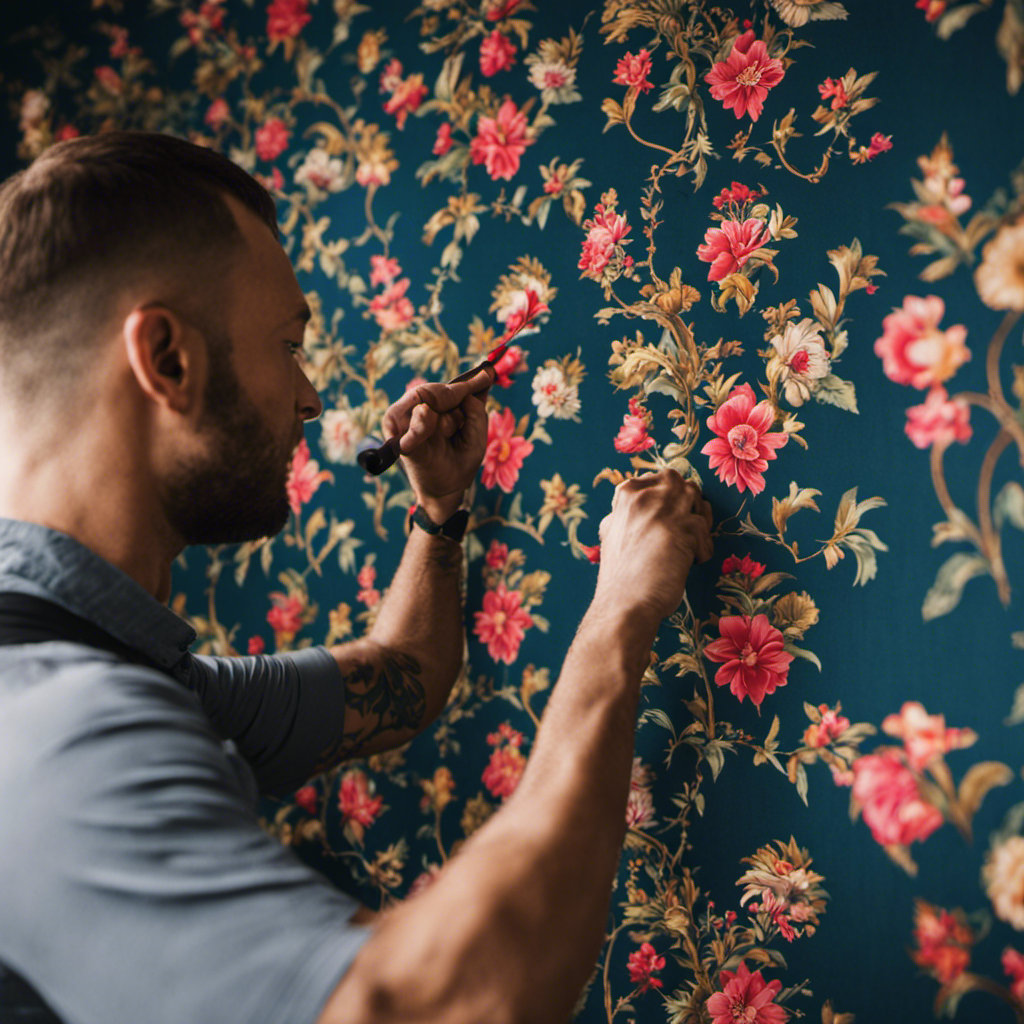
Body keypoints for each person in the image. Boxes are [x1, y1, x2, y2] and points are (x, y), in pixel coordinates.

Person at [0, 130, 713, 1024]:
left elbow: (403, 676)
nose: (309, 397)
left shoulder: (117, 674)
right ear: (169, 361)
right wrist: (623, 607)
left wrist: (439, 512)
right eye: (289, 344)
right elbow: (445, 1004)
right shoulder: (55, 726)